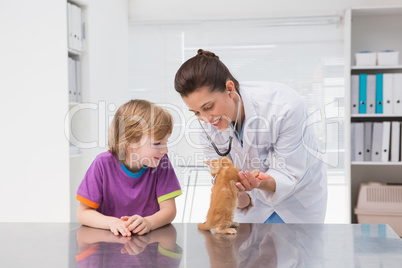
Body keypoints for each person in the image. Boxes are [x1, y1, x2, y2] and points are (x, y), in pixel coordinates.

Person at [174, 49, 327, 223]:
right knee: (245, 248)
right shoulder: (207, 129)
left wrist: (257, 183)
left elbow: (288, 174)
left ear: (230, 89)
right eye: (196, 113)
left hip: (296, 202)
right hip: (252, 207)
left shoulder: (284, 107)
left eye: (208, 107)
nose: (205, 119)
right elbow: (230, 185)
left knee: (295, 249)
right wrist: (234, 192)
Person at [76, 99, 182, 236]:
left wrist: (148, 222)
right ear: (130, 144)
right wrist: (112, 223)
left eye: (166, 142)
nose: (165, 150)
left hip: (149, 245)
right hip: (109, 244)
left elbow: (169, 210)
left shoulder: (161, 163)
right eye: (157, 143)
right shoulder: (102, 164)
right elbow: (83, 213)